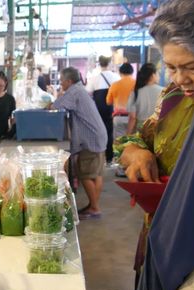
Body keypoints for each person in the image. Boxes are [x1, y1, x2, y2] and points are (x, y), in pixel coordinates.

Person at [120, 0, 194, 290]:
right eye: (171, 67)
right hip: (158, 235)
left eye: (192, 67)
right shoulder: (173, 96)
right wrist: (136, 151)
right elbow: (134, 137)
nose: (180, 79)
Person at [49, 67, 107, 219]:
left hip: (90, 139)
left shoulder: (74, 91)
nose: (61, 84)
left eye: (62, 81)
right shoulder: (80, 90)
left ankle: (94, 208)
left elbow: (56, 106)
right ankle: (93, 205)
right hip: (98, 136)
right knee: (96, 174)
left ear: (69, 81)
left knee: (86, 174)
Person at [86, 55, 119, 163]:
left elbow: (87, 92)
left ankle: (99, 157)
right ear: (109, 63)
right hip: (112, 109)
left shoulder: (94, 78)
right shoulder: (115, 77)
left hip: (98, 110)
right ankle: (109, 157)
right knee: (110, 132)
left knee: (98, 132)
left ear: (99, 64)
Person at [125, 64, 162, 135]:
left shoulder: (135, 92)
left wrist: (128, 134)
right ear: (152, 75)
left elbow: (132, 117)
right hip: (159, 129)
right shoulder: (164, 91)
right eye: (158, 74)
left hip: (141, 130)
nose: (159, 77)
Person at [107, 63, 135, 139]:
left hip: (119, 117)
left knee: (119, 144)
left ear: (120, 73)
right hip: (134, 118)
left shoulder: (114, 85)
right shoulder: (138, 84)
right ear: (132, 72)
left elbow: (108, 102)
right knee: (133, 143)